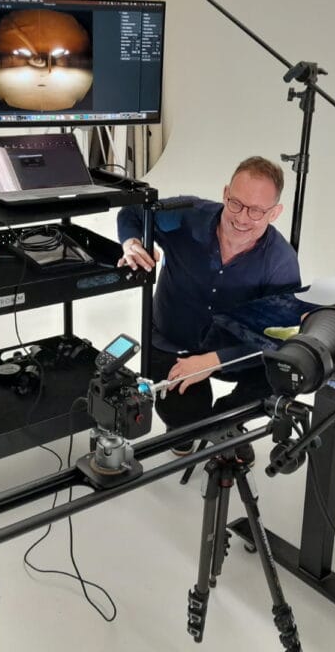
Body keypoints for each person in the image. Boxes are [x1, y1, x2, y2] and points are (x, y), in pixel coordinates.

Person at [116, 156, 301, 457]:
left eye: (256, 211)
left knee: (285, 372)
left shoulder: (281, 261)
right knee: (185, 421)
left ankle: (227, 423)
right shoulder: (187, 214)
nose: (242, 218)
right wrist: (132, 243)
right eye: (236, 203)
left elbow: (277, 336)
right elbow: (132, 213)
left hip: (233, 352)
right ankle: (191, 425)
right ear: (225, 192)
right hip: (171, 341)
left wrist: (214, 361)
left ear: (275, 212)